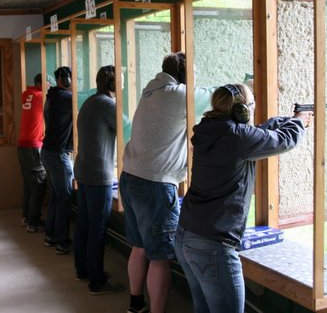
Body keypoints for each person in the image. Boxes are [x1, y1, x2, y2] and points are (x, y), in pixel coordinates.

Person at [174, 83, 313, 313]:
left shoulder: (211, 129)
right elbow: (284, 140)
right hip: (213, 244)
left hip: (186, 235)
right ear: (242, 111)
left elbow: (256, 133)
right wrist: (299, 121)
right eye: (250, 104)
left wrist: (281, 120)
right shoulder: (237, 137)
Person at [120, 52, 188, 313]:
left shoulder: (150, 90)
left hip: (131, 177)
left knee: (139, 247)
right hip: (156, 184)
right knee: (160, 256)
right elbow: (218, 97)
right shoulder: (179, 95)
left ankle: (136, 304)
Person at [73, 65, 126, 295]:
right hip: (98, 176)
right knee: (97, 230)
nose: (122, 84)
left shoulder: (90, 102)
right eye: (120, 80)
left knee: (84, 225)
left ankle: (82, 270)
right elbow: (128, 128)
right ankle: (96, 282)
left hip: (84, 171)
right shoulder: (108, 104)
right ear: (113, 84)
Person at [41, 66, 74, 255]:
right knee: (64, 198)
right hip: (57, 154)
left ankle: (51, 235)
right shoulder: (65, 98)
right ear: (64, 79)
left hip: (48, 151)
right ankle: (62, 241)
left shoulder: (53, 96)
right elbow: (80, 100)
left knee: (56, 196)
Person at [17, 73, 47, 233]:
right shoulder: (41, 96)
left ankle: (26, 217)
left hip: (22, 144)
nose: (50, 86)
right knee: (38, 185)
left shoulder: (27, 94)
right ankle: (33, 222)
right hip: (33, 145)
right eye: (48, 83)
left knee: (29, 185)